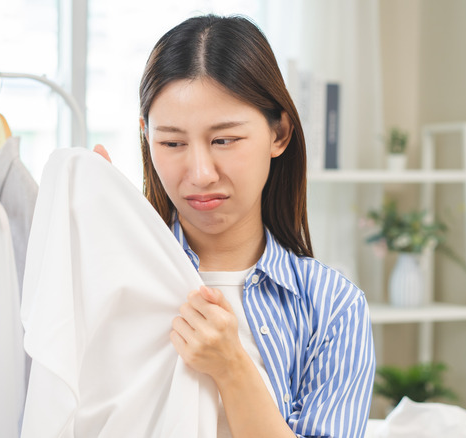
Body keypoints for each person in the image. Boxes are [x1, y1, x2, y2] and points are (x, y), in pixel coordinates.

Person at [95, 14, 375, 438]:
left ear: (279, 133)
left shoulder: (332, 308)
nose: (201, 172)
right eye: (171, 143)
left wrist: (231, 367)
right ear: (145, 137)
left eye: (224, 140)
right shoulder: (111, 276)